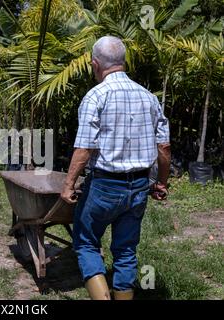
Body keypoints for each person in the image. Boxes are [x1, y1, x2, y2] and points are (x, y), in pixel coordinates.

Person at [61, 36, 171, 300]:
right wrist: (161, 183)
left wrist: (68, 185)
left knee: (86, 242)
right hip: (139, 187)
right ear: (123, 62)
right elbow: (164, 148)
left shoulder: (96, 96)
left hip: (104, 186)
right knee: (125, 250)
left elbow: (84, 149)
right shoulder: (149, 98)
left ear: (95, 64)